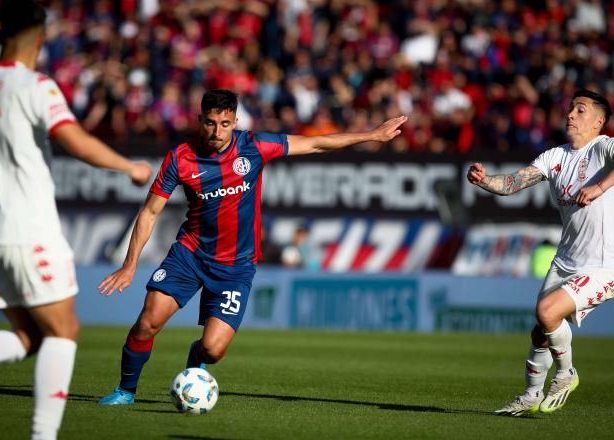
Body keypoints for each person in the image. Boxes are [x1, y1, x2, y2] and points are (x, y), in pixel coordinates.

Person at [96, 89, 407, 405]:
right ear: (200, 120)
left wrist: (372, 135)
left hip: (235, 267)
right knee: (147, 322)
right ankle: (125, 391)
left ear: (235, 122)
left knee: (213, 350)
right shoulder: (180, 157)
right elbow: (150, 211)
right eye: (210, 123)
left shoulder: (254, 147)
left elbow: (315, 142)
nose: (217, 132)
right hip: (189, 255)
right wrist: (130, 263)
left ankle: (196, 357)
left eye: (225, 124)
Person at [0, 2, 153, 439]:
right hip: (29, 230)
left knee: (29, 337)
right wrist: (129, 167)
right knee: (63, 331)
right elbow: (77, 141)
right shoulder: (35, 86)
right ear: (40, 38)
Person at [467, 89, 614, 416]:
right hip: (566, 261)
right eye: (570, 109)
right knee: (541, 331)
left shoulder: (606, 148)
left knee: (547, 312)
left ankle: (566, 373)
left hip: (604, 267)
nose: (570, 115)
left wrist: (600, 186)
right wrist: (486, 181)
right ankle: (531, 395)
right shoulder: (556, 156)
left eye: (580, 111)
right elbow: (514, 182)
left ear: (598, 122)